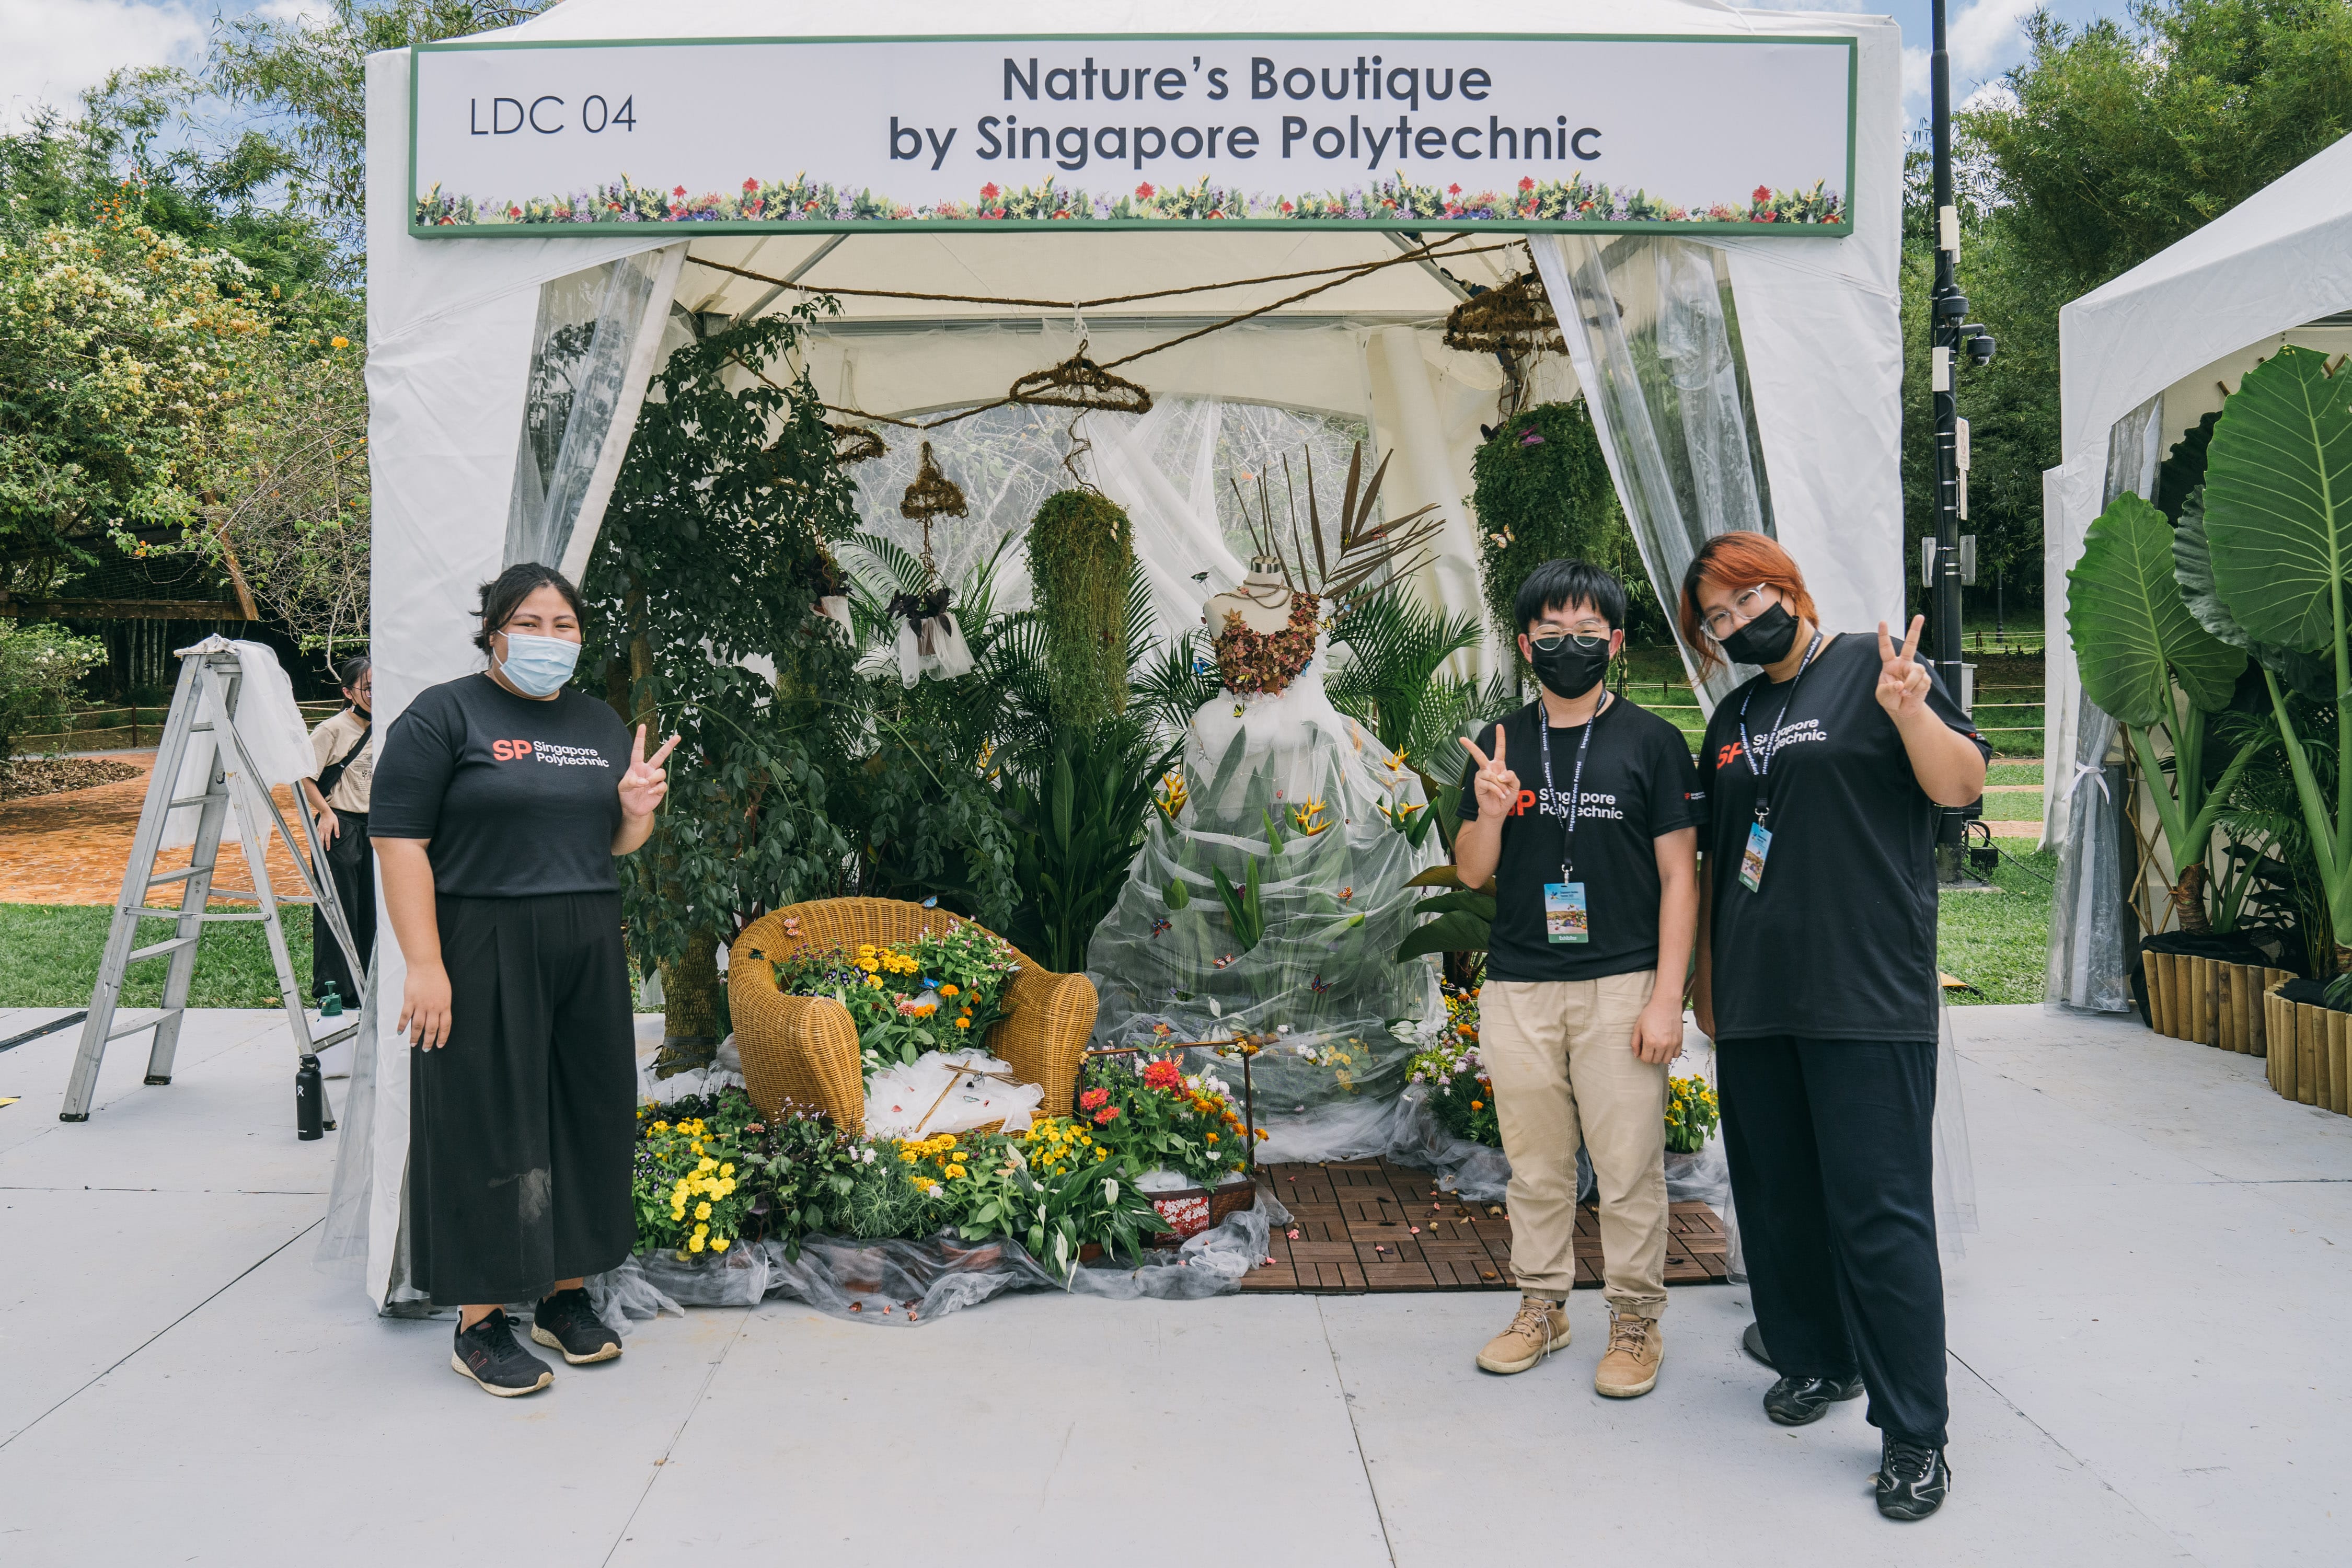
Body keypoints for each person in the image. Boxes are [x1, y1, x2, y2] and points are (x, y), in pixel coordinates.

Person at [1681, 531, 1986, 1521]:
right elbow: (1722, 859)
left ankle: (1915, 1435)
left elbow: (1961, 787)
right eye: (1717, 619)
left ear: (1786, 585)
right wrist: (1706, 991)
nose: (1735, 623)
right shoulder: (1732, 717)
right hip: (1761, 1003)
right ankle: (1815, 1360)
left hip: (1866, 994)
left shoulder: (1875, 665)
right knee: (1777, 1200)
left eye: (1744, 598)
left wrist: (1910, 710)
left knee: (1878, 1210)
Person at [370, 563, 676, 1398]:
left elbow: (610, 845)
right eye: (531, 623)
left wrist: (639, 810)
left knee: (584, 1114)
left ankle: (564, 1297)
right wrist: (425, 965)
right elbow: (400, 844)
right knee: (482, 1119)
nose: (550, 639)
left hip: (584, 937)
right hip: (479, 940)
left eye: (565, 625)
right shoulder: (444, 715)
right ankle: (480, 1322)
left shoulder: (600, 721)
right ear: (494, 630)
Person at [1453, 559, 1700, 1397]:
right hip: (1520, 984)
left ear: (1617, 643)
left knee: (1629, 1165)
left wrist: (1668, 997)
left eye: (1587, 635)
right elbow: (1471, 875)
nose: (1570, 647)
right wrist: (1488, 811)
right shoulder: (1499, 744)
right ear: (1526, 646)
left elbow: (1680, 878)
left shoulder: (1653, 744)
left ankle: (1635, 1320)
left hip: (1623, 985)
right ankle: (1542, 1306)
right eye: (1552, 635)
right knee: (1535, 1165)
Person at [301, 656, 374, 1011]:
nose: (376, 694)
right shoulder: (331, 730)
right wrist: (327, 813)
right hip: (340, 827)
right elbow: (304, 777)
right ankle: (335, 991)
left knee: (374, 910)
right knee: (338, 910)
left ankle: (369, 988)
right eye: (368, 687)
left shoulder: (390, 725)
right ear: (348, 692)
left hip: (378, 828)